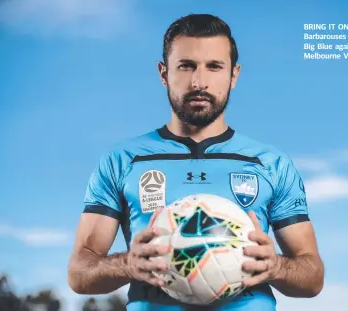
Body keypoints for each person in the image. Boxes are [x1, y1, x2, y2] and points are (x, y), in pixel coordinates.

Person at [68, 13, 324, 311]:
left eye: (214, 67)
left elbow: (313, 277)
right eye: (186, 65)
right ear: (163, 73)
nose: (199, 82)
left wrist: (276, 267)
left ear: (234, 75)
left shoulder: (271, 164)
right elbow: (79, 273)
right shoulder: (121, 160)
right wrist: (127, 264)